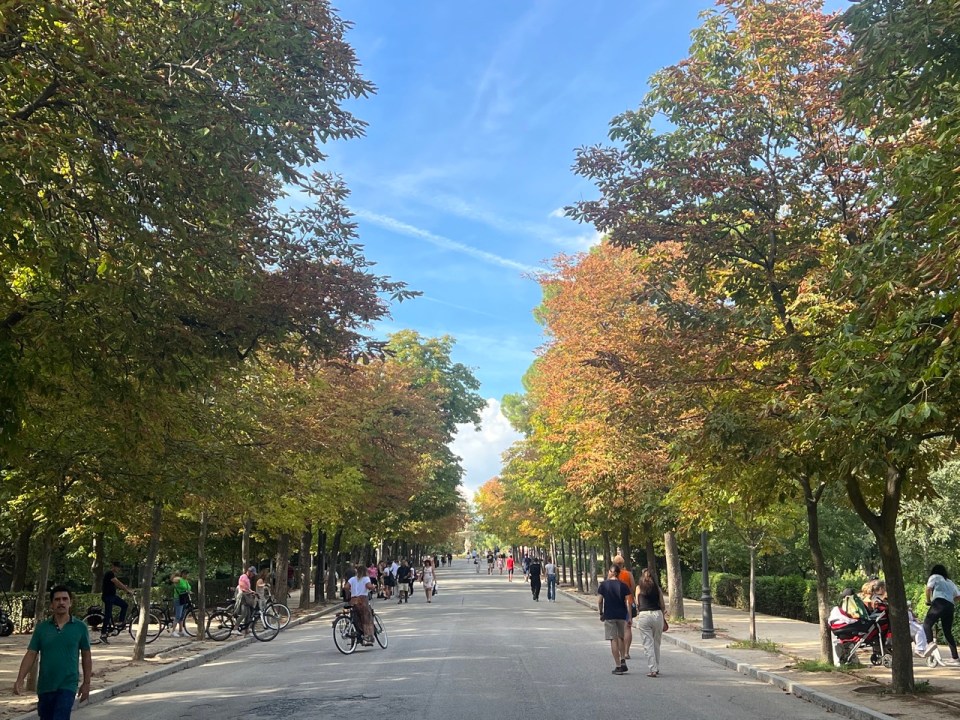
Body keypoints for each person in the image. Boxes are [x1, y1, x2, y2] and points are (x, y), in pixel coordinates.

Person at [14, 585, 92, 720]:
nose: (61, 602)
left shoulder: (80, 627)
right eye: (57, 599)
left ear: (70, 603)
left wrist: (86, 683)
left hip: (68, 684)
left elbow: (86, 655)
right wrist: (20, 678)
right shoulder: (42, 628)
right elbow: (31, 653)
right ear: (52, 604)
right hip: (46, 686)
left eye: (64, 599)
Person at [922, 564, 960, 665]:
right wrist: (950, 601)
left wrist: (928, 601)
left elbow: (928, 589)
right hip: (950, 606)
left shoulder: (934, 577)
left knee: (927, 624)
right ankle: (955, 658)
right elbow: (958, 596)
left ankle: (930, 644)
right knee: (947, 631)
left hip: (938, 602)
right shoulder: (950, 582)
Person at [597, 566, 631, 675]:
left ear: (610, 572)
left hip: (610, 614)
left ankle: (618, 666)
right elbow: (628, 602)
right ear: (618, 573)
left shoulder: (604, 585)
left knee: (613, 639)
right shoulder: (623, 585)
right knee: (621, 637)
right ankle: (623, 659)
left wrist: (601, 613)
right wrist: (629, 616)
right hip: (621, 615)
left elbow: (599, 600)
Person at [634, 567, 666, 677]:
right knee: (657, 642)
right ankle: (656, 667)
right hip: (657, 614)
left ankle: (653, 669)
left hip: (644, 615)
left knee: (648, 643)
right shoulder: (657, 588)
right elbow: (662, 604)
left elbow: (637, 603)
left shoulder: (638, 588)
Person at [612, 555, 637, 661]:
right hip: (628, 601)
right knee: (628, 627)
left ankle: (619, 650)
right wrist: (633, 599)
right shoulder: (628, 574)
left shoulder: (611, 574)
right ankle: (626, 652)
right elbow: (633, 587)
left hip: (616, 603)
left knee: (617, 628)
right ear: (623, 564)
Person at [344, 565, 375, 644]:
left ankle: (356, 633)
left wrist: (350, 592)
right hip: (362, 600)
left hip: (354, 600)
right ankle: (368, 636)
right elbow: (368, 586)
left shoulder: (352, 579)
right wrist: (373, 587)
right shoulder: (366, 578)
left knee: (356, 617)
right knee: (366, 618)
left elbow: (346, 587)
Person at [234, 566, 258, 634]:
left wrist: (252, 591)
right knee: (244, 614)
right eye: (253, 574)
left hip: (246, 597)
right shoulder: (243, 577)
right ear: (249, 572)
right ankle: (235, 628)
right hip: (243, 598)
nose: (253, 575)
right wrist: (251, 592)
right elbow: (243, 588)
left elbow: (247, 588)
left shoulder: (247, 578)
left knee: (248, 614)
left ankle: (247, 630)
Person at [170, 569, 192, 637]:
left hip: (184, 598)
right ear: (182, 574)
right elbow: (173, 579)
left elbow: (188, 588)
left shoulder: (186, 581)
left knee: (182, 616)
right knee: (178, 615)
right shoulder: (179, 579)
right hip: (178, 598)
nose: (186, 575)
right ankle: (173, 631)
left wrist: (189, 591)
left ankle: (181, 630)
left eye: (187, 574)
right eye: (185, 574)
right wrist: (176, 575)